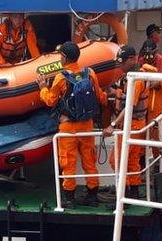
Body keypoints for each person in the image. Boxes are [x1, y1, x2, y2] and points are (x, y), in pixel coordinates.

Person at [38, 41, 109, 207]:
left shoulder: (61, 77)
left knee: (68, 162)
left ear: (64, 57)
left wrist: (42, 87)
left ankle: (69, 198)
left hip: (68, 127)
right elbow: (100, 97)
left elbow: (50, 100)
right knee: (89, 161)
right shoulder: (90, 73)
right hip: (87, 125)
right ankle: (92, 196)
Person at [104, 45, 151, 199]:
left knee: (116, 160)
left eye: (122, 63)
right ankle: (134, 193)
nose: (121, 66)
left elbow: (130, 105)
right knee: (131, 161)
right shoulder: (134, 76)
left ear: (132, 59)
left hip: (133, 124)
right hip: (136, 123)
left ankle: (123, 194)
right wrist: (116, 92)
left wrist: (112, 125)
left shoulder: (136, 80)